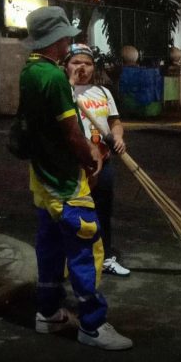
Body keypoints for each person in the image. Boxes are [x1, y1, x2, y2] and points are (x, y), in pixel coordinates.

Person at [20, 7, 132, 350]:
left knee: (50, 245)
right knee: (85, 248)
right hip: (65, 178)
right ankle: (92, 326)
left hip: (41, 176)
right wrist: (92, 157)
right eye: (66, 36)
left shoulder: (30, 71)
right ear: (57, 38)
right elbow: (71, 134)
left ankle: (49, 312)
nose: (69, 41)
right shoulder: (53, 77)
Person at [64, 44, 130, 277]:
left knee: (103, 210)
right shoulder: (63, 91)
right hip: (75, 165)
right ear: (66, 65)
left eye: (88, 63)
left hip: (104, 161)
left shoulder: (103, 93)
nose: (82, 67)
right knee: (75, 214)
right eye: (76, 62)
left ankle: (106, 257)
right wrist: (69, 86)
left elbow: (114, 122)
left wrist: (119, 136)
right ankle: (74, 259)